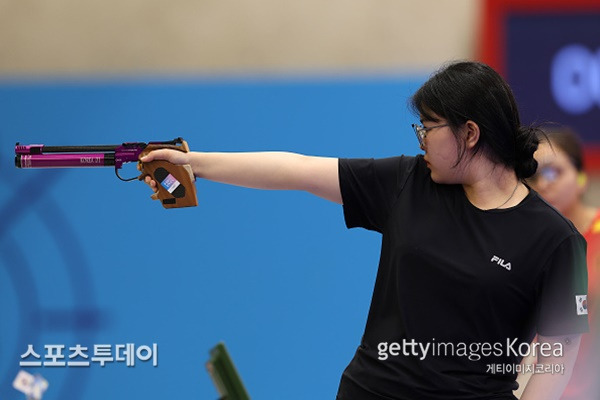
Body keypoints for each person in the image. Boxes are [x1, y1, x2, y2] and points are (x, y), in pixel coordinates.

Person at [141, 61, 588, 400]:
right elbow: (296, 169)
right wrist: (194, 162)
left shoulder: (555, 240)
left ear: (469, 134)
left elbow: (557, 358)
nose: (421, 141)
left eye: (428, 128)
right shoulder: (406, 183)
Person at [528, 127, 600, 399]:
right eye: (533, 175)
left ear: (581, 178)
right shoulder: (522, 243)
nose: (543, 184)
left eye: (553, 172)